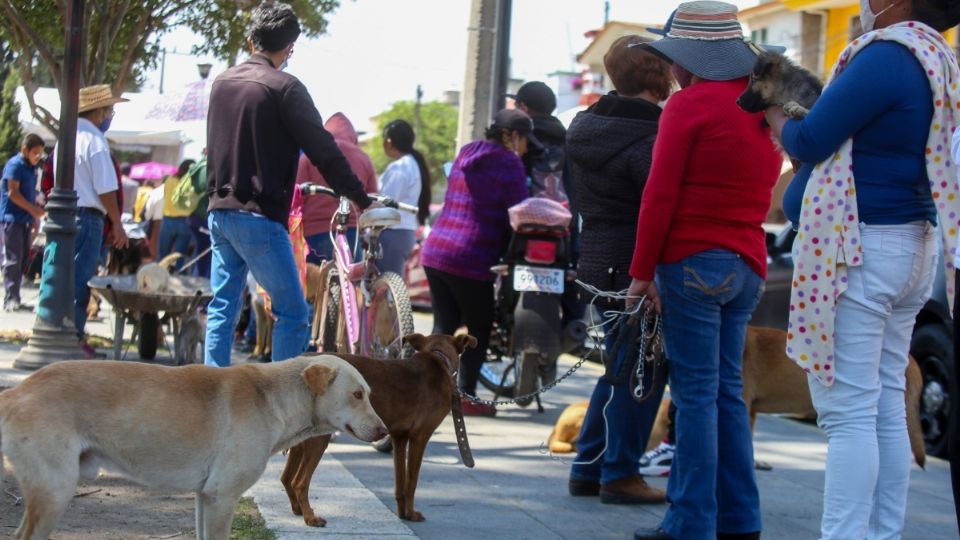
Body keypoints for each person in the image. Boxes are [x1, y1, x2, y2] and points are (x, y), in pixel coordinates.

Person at [764, 0, 960, 538]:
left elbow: (807, 140)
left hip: (862, 249)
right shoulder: (937, 55)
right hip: (910, 244)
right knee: (885, 405)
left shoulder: (887, 56)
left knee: (849, 413)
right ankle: (882, 533)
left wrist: (770, 104)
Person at [627, 3, 783, 540]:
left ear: (689, 59)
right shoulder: (765, 108)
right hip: (747, 264)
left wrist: (641, 272)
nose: (671, 69)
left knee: (694, 396)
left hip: (693, 261)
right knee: (726, 395)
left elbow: (660, 194)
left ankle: (689, 524)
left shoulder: (688, 105)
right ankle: (741, 521)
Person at [204, 1, 373, 367]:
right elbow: (324, 151)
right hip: (259, 217)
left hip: (218, 212)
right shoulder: (285, 87)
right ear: (290, 48)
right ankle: (283, 409)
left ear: (251, 40)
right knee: (293, 314)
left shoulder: (221, 82)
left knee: (222, 306)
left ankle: (208, 401)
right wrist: (359, 197)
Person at [565, 35, 673, 505]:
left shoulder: (584, 125)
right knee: (642, 371)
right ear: (657, 74)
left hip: (596, 255)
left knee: (621, 367)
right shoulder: (651, 135)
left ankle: (590, 467)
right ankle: (620, 472)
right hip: (636, 263)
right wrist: (649, 271)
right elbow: (659, 203)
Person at [420, 108, 537, 417]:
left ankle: (425, 390)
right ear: (511, 136)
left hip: (436, 250)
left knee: (443, 326)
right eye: (525, 140)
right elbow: (520, 210)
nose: (526, 148)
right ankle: (466, 396)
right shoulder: (509, 161)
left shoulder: (467, 151)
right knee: (479, 328)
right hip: (470, 256)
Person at [65, 84, 129, 358]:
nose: (111, 115)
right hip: (87, 217)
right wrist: (117, 223)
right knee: (81, 282)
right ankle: (74, 339)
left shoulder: (67, 138)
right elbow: (106, 189)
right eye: (110, 110)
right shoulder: (93, 140)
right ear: (99, 111)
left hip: (67, 215)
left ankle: (64, 334)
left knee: (64, 281)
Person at [297, 112, 378, 264]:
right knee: (349, 284)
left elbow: (297, 195)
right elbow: (372, 197)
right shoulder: (364, 158)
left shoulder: (310, 155)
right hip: (351, 233)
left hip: (313, 233)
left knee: (313, 285)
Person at [377, 119, 431, 275]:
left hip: (393, 233)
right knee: (390, 288)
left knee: (386, 291)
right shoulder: (412, 163)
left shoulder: (400, 167)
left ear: (388, 142)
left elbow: (385, 203)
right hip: (404, 232)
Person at [1, 133, 45, 312]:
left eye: (40, 153)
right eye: (35, 153)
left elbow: (30, 194)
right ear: (25, 150)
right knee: (13, 259)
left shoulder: (31, 169)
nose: (38, 157)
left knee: (23, 259)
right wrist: (32, 210)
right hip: (13, 219)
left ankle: (16, 297)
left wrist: (33, 218)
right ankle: (10, 299)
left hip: (25, 219)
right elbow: (13, 193)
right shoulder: (15, 165)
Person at [157, 159, 196, 270]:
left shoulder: (169, 180)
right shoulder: (192, 183)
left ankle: (159, 276)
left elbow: (165, 195)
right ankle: (177, 278)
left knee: (163, 254)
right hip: (185, 222)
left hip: (168, 220)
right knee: (179, 256)